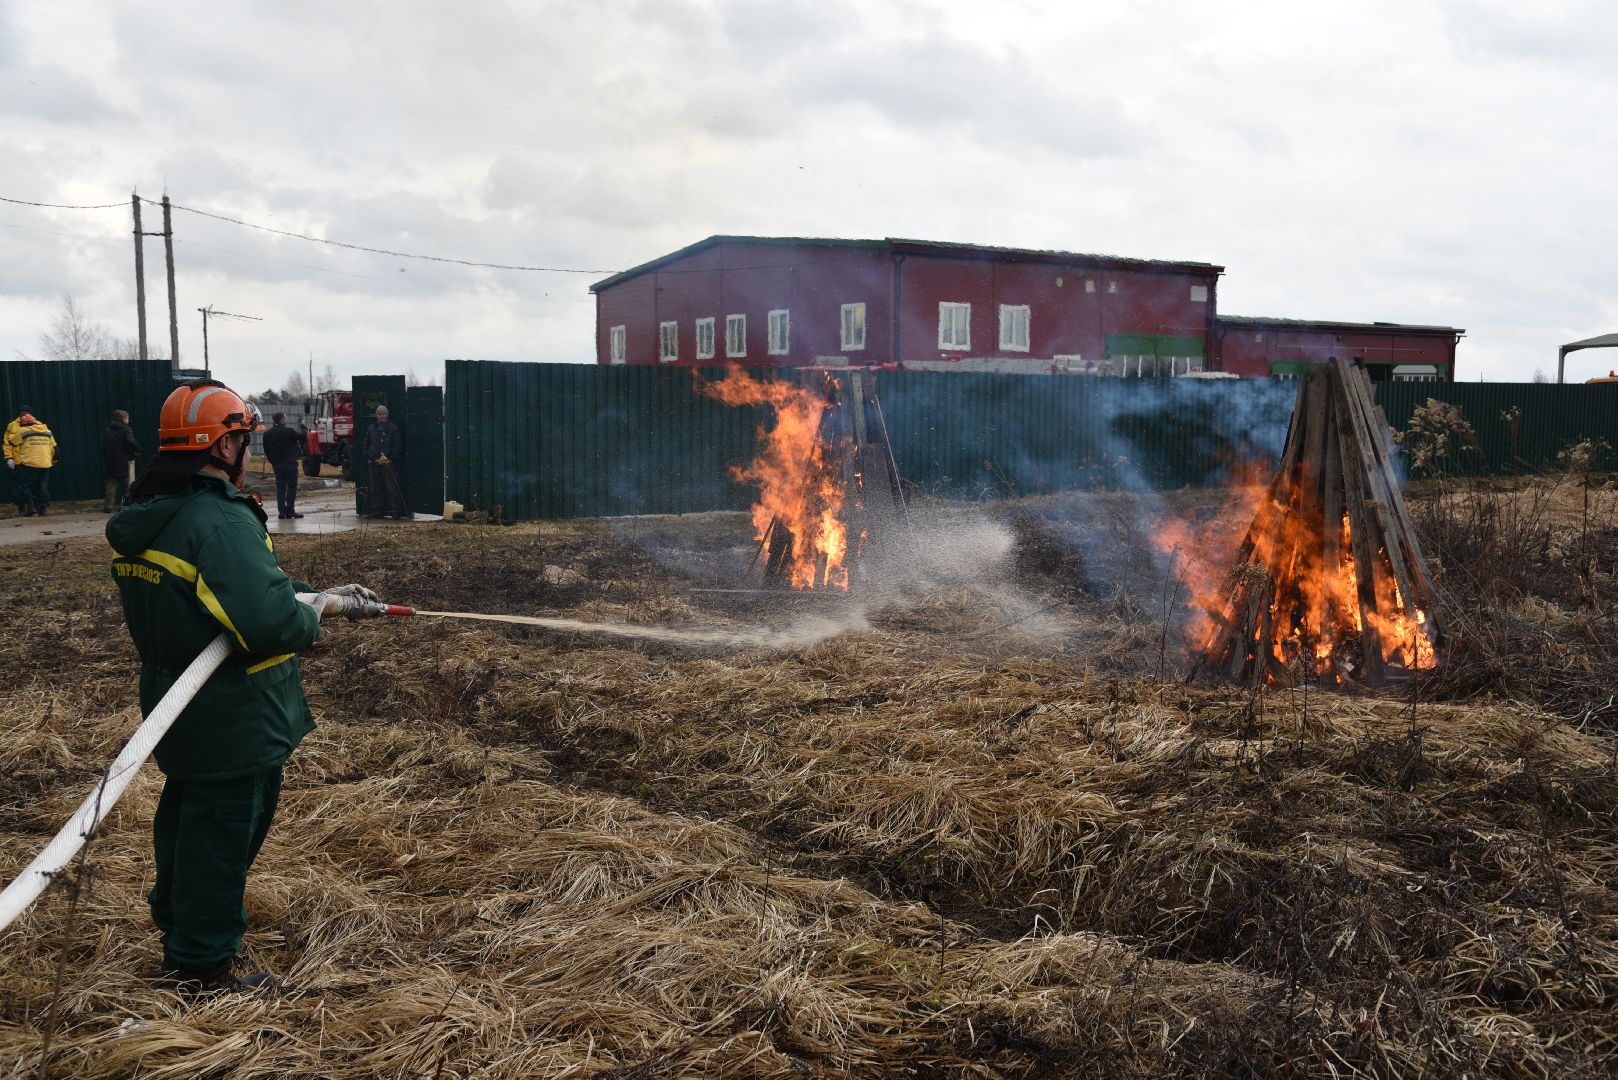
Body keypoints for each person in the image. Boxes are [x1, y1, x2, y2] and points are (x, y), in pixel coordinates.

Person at [107, 378, 377, 994]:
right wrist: (311, 612)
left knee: (189, 817)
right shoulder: (216, 518)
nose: (250, 451)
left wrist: (313, 594)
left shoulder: (155, 511)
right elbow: (268, 621)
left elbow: (225, 593)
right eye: (243, 439)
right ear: (222, 445)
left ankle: (181, 927)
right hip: (235, 710)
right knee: (224, 831)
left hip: (182, 701)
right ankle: (201, 966)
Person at [5, 406, 57, 517]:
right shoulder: (46, 430)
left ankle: (31, 507)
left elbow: (10, 442)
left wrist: (9, 456)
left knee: (23, 486)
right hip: (45, 462)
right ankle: (43, 510)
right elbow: (55, 448)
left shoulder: (22, 430)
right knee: (42, 485)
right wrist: (54, 459)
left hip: (28, 461)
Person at [363, 404, 406, 519]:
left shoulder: (393, 428)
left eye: (383, 414)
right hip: (374, 463)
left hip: (388, 463)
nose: (381, 416)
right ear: (376, 415)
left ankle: (396, 512)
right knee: (375, 489)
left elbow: (398, 446)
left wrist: (391, 459)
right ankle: (377, 512)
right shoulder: (371, 428)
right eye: (379, 414)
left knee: (392, 488)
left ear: (387, 415)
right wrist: (368, 458)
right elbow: (366, 444)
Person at [260, 411, 305, 519]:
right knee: (291, 487)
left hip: (277, 464)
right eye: (285, 417)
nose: (287, 419)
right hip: (290, 464)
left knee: (280, 488)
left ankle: (281, 512)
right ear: (281, 420)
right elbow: (302, 436)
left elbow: (266, 449)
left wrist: (272, 461)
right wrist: (302, 425)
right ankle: (290, 511)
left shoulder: (267, 434)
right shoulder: (289, 431)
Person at [102, 409, 142, 512]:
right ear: (124, 418)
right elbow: (131, 442)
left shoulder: (107, 430)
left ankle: (108, 506)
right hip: (125, 461)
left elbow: (104, 447)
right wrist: (138, 450)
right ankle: (130, 504)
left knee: (111, 484)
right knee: (130, 484)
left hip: (111, 461)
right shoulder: (126, 430)